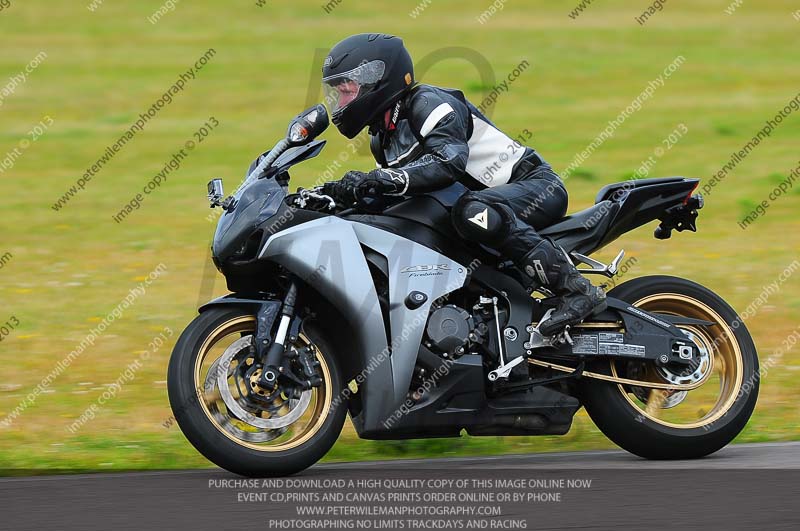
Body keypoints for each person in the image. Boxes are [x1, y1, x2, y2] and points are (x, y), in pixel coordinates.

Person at [321, 33, 605, 336]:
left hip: (534, 187)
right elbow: (397, 194)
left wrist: (384, 179)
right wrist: (342, 195)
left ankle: (576, 289)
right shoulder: (383, 138)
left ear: (376, 80)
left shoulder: (428, 103)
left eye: (346, 90)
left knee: (471, 210)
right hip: (480, 206)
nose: (340, 102)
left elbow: (448, 161)